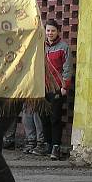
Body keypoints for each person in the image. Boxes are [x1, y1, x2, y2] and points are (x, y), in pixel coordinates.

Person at [34, 19, 72, 161]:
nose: (50, 33)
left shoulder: (64, 47)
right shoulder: (40, 46)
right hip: (42, 88)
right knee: (44, 117)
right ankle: (47, 145)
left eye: (53, 30)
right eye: (48, 30)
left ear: (58, 32)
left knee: (55, 118)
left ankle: (56, 146)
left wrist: (64, 87)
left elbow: (67, 68)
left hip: (57, 88)